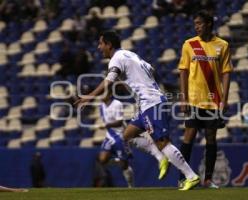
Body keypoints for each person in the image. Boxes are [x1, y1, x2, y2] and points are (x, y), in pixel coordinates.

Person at [75, 31, 200, 190]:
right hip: (145, 104)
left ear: (109, 45)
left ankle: (191, 176)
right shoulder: (130, 54)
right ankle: (160, 157)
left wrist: (89, 97)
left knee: (163, 142)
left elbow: (108, 81)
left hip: (151, 103)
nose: (99, 48)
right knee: (127, 135)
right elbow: (151, 69)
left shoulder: (116, 59)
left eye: (101, 44)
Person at [178, 11, 232, 188]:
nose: (196, 27)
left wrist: (224, 98)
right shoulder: (189, 44)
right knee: (189, 136)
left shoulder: (222, 45)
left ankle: (208, 180)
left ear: (209, 24)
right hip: (194, 99)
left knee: (211, 139)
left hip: (213, 101)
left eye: (199, 23)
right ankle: (183, 177)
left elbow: (226, 73)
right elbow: (183, 72)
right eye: (195, 24)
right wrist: (183, 98)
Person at [97, 91, 169, 187]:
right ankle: (117, 160)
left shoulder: (116, 104)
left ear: (109, 94)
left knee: (124, 164)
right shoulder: (101, 106)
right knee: (102, 159)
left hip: (120, 135)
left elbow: (119, 122)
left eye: (103, 93)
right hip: (109, 135)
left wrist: (106, 125)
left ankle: (131, 185)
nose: (100, 95)